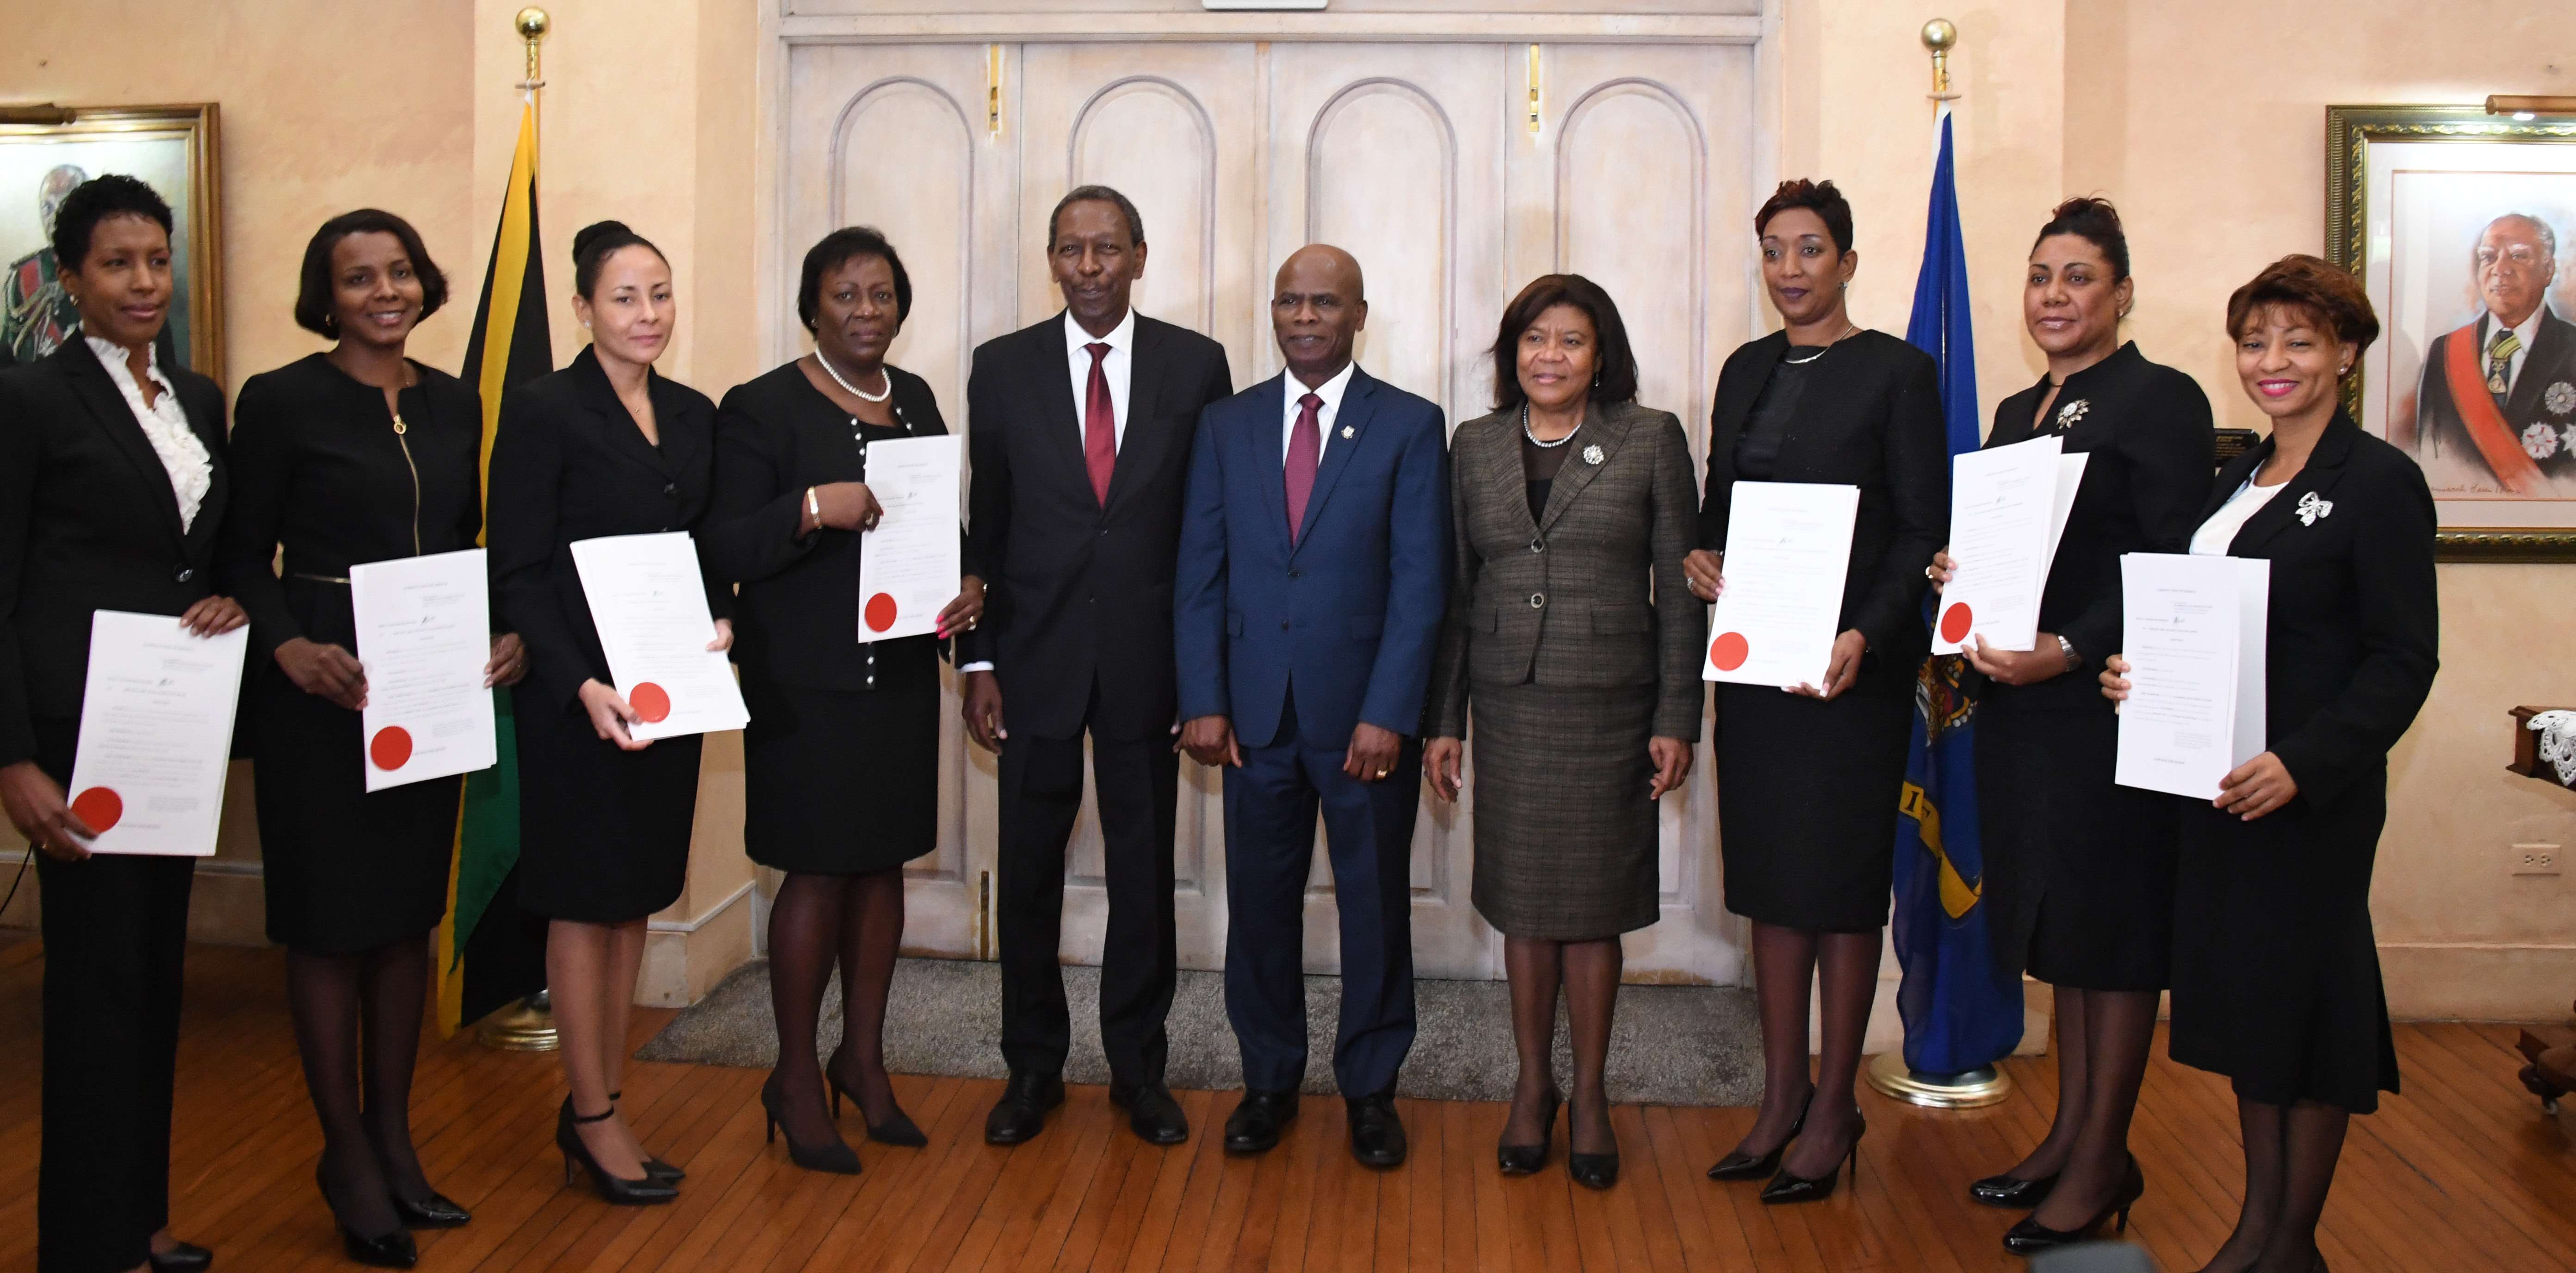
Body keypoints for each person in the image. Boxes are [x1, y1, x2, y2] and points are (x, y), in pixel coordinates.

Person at [2101, 255, 2438, 1273]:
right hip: (2217, 792)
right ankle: (2257, 1228)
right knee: (2254, 1009)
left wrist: (2303, 762)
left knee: (2308, 1005)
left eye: (2298, 340)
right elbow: (2197, 619)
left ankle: (2289, 1241)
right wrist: (2138, 674)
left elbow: (2402, 660)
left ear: (2345, 351)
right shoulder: (2233, 477)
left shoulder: (2379, 481)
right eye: (2256, 341)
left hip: (2306, 797)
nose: (2273, 361)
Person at [222, 210, 528, 1265]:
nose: (385, 291)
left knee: (403, 922)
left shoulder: (455, 402)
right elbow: (237, 556)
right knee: (328, 927)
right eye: (359, 279)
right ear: (327, 295)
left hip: (426, 693)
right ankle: (343, 1152)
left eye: (399, 272)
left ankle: (395, 1138)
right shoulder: (281, 401)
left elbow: (466, 544)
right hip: (322, 695)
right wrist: (288, 650)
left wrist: (504, 637)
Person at [1926, 198, 2214, 1255]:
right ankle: (2071, 1137)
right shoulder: (2014, 413)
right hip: (2018, 716)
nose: (2054, 295)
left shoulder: (2158, 401)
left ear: (2121, 292)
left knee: (2113, 944)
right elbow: (2007, 559)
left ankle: (2100, 1163)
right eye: (2041, 276)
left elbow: (2174, 558)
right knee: (2062, 940)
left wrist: (2069, 646)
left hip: (2104, 712)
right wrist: (1958, 584)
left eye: (2078, 276)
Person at [700, 226, 984, 1174]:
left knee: (881, 871)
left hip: (898, 679)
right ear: (811, 307)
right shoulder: (760, 407)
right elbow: (725, 546)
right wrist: (814, 506)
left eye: (882, 296)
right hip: (804, 683)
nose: (866, 313)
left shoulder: (918, 399)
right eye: (845, 296)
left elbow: (938, 525)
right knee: (815, 875)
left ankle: (860, 1056)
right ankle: (790, 1073)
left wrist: (966, 584)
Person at [1689, 179, 1945, 1203]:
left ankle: (1835, 1105)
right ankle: (1780, 1095)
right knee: (1768, 882)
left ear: (1846, 259)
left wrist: (1867, 634)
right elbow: (1718, 507)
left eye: (1809, 250)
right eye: (1774, 251)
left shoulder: (1898, 372)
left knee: (1838, 889)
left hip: (1847, 676)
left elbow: (1925, 527)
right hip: (1755, 669)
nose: (1790, 270)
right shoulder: (1746, 368)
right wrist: (1703, 558)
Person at [960, 185, 1233, 1148]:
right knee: (1028, 873)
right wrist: (978, 657)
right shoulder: (1001, 369)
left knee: (1143, 873)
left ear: (1140, 255)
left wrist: (1207, 677)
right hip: (1029, 661)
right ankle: (1032, 1067)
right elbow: (982, 525)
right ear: (1052, 260)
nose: (1089, 266)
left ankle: (1137, 1068)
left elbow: (1209, 531)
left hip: (1147, 664)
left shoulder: (1197, 366)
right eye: (1071, 250)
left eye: (1106, 248)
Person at [0, 173, 238, 1273]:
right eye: (117, 264)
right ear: (71, 277)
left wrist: (228, 591)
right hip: (75, 731)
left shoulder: (195, 392)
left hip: (170, 725)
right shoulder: (31, 401)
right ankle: (86, 1249)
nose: (144, 281)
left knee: (152, 981)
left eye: (157, 259)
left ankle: (140, 1223)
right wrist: (11, 760)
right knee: (94, 993)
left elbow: (197, 549)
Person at [1421, 274, 1702, 1189]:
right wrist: (1445, 721)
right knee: (1526, 906)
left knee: (1593, 911)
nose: (1550, 356)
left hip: (1611, 707)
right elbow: (1456, 598)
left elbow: (1677, 592)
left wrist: (1675, 717)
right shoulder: (1474, 446)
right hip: (1509, 706)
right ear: (1513, 354)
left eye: (1570, 341)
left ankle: (1591, 1093)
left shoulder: (1650, 438)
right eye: (1534, 339)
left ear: (1601, 354)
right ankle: (1532, 1085)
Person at [1174, 244, 1449, 1168]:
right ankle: (1269, 1080)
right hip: (1253, 719)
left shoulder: (1410, 426)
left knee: (1374, 907)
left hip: (1363, 721)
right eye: (1288, 301)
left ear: (1359, 314)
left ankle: (1370, 1088)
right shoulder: (1227, 424)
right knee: (1260, 906)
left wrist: (1391, 712)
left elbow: (1421, 584)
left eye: (1323, 303)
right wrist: (1204, 699)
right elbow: (1199, 574)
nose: (1303, 317)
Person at [487, 220, 728, 1206]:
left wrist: (720, 616)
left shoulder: (694, 409)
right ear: (583, 309)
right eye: (625, 297)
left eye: (660, 294)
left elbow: (707, 543)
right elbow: (520, 569)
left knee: (633, 896)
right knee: (584, 903)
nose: (647, 314)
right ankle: (592, 1118)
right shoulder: (544, 409)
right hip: (579, 701)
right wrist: (580, 681)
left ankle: (602, 1095)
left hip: (669, 693)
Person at [2411, 212, 2576, 493]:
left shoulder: (2571, 347)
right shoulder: (2446, 351)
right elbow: (2429, 451)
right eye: (2488, 257)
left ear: (2548, 270)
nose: (2501, 269)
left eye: (2519, 256)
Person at [2, 165, 89, 365]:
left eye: (66, 205)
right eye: (48, 208)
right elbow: (8, 356)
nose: (56, 217)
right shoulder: (23, 277)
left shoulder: (113, 270)